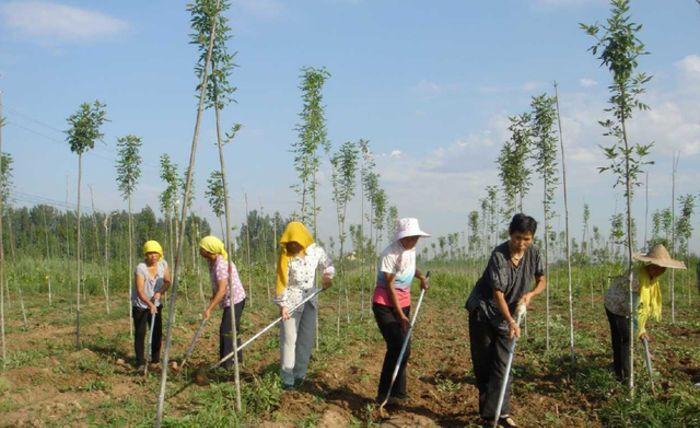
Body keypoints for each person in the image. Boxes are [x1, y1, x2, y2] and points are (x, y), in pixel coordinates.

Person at [465, 214, 546, 428]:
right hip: (484, 312)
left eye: (527, 239)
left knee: (504, 364)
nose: (521, 243)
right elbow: (497, 294)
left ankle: (502, 413)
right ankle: (487, 416)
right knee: (484, 364)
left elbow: (542, 280)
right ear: (510, 234)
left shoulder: (534, 253)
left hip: (509, 314)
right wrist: (511, 321)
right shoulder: (499, 255)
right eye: (518, 237)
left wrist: (530, 295)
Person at [603, 244, 686, 382]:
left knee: (625, 339)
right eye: (658, 267)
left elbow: (644, 308)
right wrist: (639, 331)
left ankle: (619, 369)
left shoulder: (652, 280)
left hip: (626, 307)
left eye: (663, 268)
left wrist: (641, 330)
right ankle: (623, 377)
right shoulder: (636, 278)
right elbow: (633, 310)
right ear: (651, 265)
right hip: (616, 306)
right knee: (625, 339)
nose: (661, 271)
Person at [372, 217, 430, 405]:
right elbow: (389, 287)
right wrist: (400, 315)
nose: (413, 241)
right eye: (410, 237)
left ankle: (399, 394)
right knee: (397, 345)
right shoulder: (390, 254)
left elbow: (410, 268)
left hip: (403, 304)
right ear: (402, 237)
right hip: (385, 305)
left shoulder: (410, 249)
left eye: (415, 238)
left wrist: (421, 277)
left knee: (404, 348)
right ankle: (384, 394)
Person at [275, 221, 334, 390]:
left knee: (306, 339)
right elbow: (281, 281)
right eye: (289, 242)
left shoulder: (315, 251)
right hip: (291, 301)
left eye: (295, 242)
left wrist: (327, 277)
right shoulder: (286, 255)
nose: (292, 245)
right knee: (289, 339)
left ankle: (300, 374)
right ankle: (287, 379)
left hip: (310, 299)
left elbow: (329, 265)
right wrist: (282, 305)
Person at [199, 236, 246, 368]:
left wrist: (210, 308)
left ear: (209, 251)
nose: (200, 251)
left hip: (235, 299)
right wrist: (213, 296)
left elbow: (222, 289)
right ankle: (237, 359)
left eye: (202, 249)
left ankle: (226, 364)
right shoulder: (211, 261)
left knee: (226, 329)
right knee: (232, 328)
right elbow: (217, 285)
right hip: (230, 299)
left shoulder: (220, 264)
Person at [132, 240, 171, 370]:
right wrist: (149, 304)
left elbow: (167, 281)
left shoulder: (163, 264)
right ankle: (140, 362)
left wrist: (160, 292)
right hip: (141, 305)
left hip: (156, 303)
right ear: (145, 255)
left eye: (155, 253)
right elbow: (140, 291)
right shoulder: (141, 268)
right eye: (149, 253)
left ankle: (155, 360)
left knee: (157, 332)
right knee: (140, 332)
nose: (153, 256)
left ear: (160, 254)